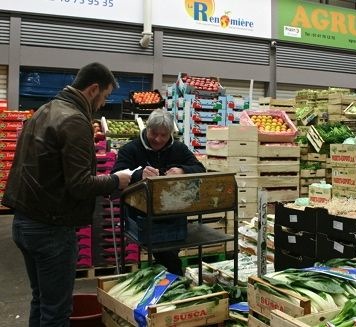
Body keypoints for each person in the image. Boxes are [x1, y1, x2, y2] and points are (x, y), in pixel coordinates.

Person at [1, 62, 132, 327]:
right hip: (52, 227)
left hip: (25, 222)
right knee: (57, 312)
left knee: (41, 301)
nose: (103, 104)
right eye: (105, 96)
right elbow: (80, 184)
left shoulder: (44, 111)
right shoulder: (74, 120)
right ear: (93, 89)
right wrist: (116, 180)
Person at [111, 108, 206, 276]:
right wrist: (139, 174)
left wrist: (182, 170)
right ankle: (173, 276)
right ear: (147, 129)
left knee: (169, 249)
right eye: (154, 134)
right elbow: (116, 175)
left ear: (170, 133)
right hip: (140, 214)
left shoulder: (178, 149)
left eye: (164, 135)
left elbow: (200, 169)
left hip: (173, 213)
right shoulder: (131, 149)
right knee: (166, 254)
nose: (158, 139)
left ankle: (167, 277)